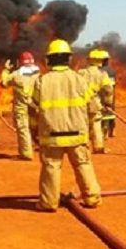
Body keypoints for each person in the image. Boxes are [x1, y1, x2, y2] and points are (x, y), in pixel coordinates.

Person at [32, 39, 101, 211]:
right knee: (83, 164)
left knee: (51, 168)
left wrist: (35, 132)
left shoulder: (42, 81)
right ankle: (92, 198)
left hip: (51, 136)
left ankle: (48, 202)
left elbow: (33, 109)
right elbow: (92, 108)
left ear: (50, 59)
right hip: (78, 135)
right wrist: (91, 129)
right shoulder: (79, 80)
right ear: (68, 59)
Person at [1, 51, 40, 160]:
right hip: (36, 106)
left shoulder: (16, 75)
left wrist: (6, 69)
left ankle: (26, 153)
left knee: (23, 129)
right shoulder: (38, 74)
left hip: (22, 107)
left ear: (19, 62)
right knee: (38, 128)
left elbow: (3, 83)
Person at [78, 48, 114, 154]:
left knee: (82, 124)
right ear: (99, 61)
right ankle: (98, 147)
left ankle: (82, 147)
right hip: (94, 103)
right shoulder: (102, 74)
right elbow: (108, 90)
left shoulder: (80, 72)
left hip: (80, 103)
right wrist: (108, 103)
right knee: (96, 123)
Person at [99, 54, 117, 138]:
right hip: (112, 94)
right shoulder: (112, 71)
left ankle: (104, 131)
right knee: (112, 112)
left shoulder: (100, 71)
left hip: (102, 94)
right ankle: (112, 130)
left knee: (103, 113)